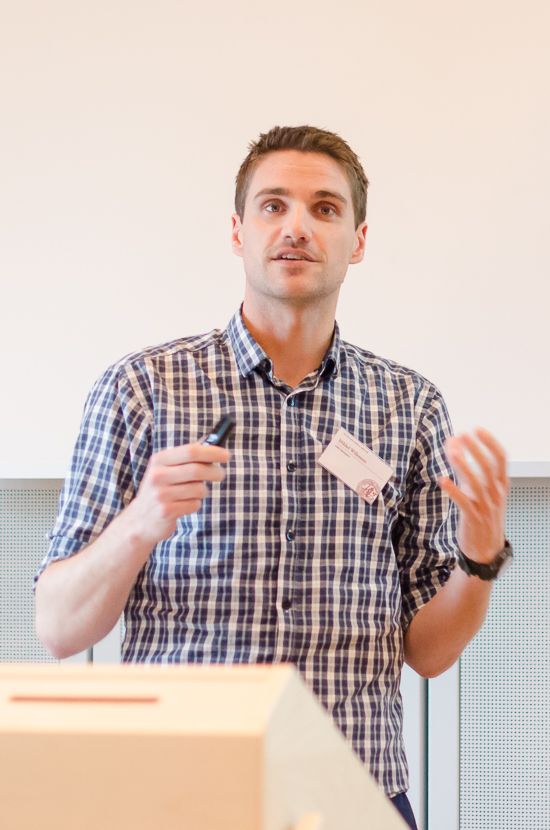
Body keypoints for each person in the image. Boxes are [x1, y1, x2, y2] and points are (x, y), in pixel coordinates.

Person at [35, 126, 510, 829]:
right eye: (272, 205)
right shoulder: (142, 389)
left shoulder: (409, 406)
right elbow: (58, 627)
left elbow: (428, 653)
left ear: (359, 239)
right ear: (238, 231)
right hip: (178, 796)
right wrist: (141, 523)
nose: (296, 226)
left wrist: (479, 554)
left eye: (324, 208)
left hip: (352, 795)